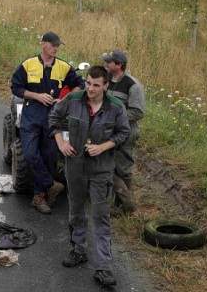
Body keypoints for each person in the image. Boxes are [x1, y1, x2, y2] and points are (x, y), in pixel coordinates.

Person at [49, 65, 130, 287]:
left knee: (100, 215)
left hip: (101, 169)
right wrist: (61, 142)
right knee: (76, 209)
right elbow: (54, 119)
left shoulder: (116, 107)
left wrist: (103, 146)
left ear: (106, 86)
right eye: (88, 83)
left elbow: (124, 133)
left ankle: (103, 267)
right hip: (74, 166)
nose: (90, 89)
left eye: (96, 85)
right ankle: (78, 249)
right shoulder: (74, 99)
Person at [11, 31, 84, 214]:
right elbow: (16, 87)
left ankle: (39, 197)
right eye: (53, 45)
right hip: (32, 113)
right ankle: (51, 184)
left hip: (53, 115)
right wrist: (36, 95)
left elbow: (80, 85)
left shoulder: (64, 67)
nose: (56, 48)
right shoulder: (28, 65)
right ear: (43, 44)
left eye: (58, 46)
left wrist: (65, 99)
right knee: (29, 153)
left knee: (49, 156)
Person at [102, 49, 145, 214]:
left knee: (123, 169)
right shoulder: (108, 80)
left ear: (118, 65)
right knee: (108, 166)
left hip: (126, 133)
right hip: (109, 132)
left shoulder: (133, 85)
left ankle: (127, 207)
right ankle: (120, 204)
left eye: (109, 62)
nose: (106, 63)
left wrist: (115, 117)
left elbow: (138, 112)